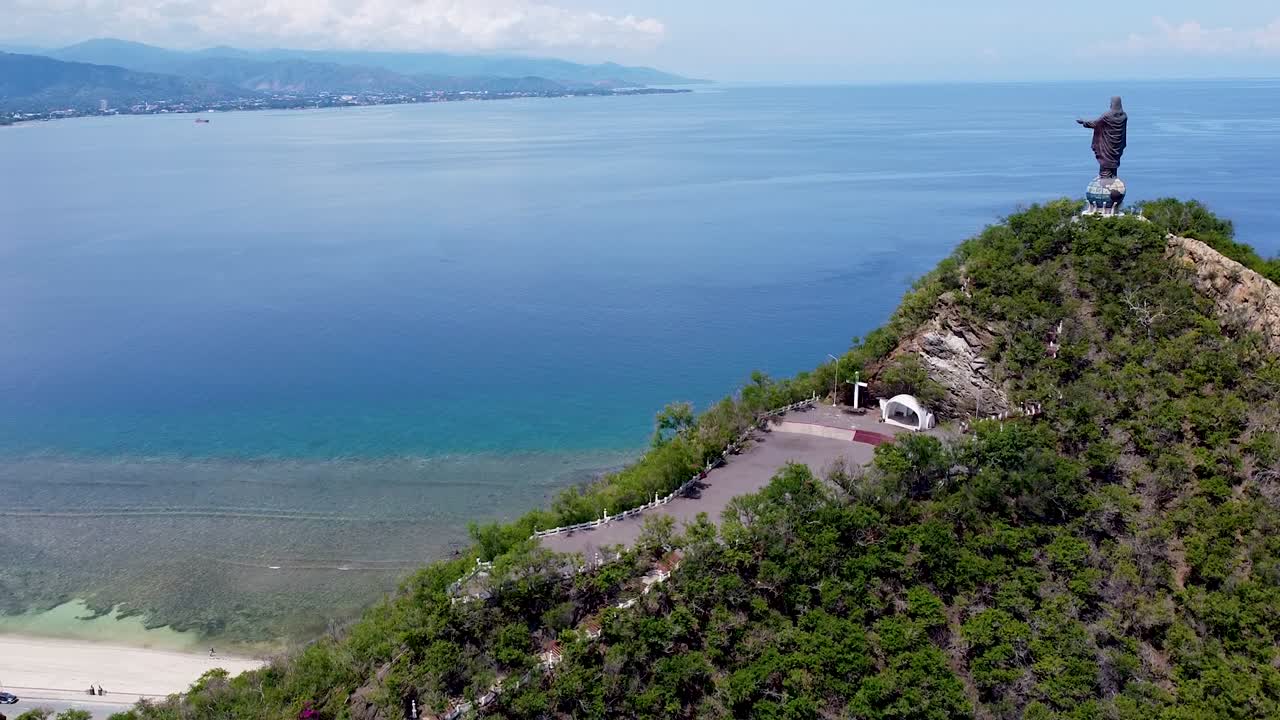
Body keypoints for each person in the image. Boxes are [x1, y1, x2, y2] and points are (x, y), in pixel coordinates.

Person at [1077, 96, 1128, 178]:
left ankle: (1105, 176)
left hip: (1107, 144)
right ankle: (1113, 175)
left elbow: (1095, 124)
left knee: (1105, 159)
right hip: (1117, 145)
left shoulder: (1107, 116)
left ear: (1112, 104)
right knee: (1113, 160)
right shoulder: (1124, 116)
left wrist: (1084, 122)